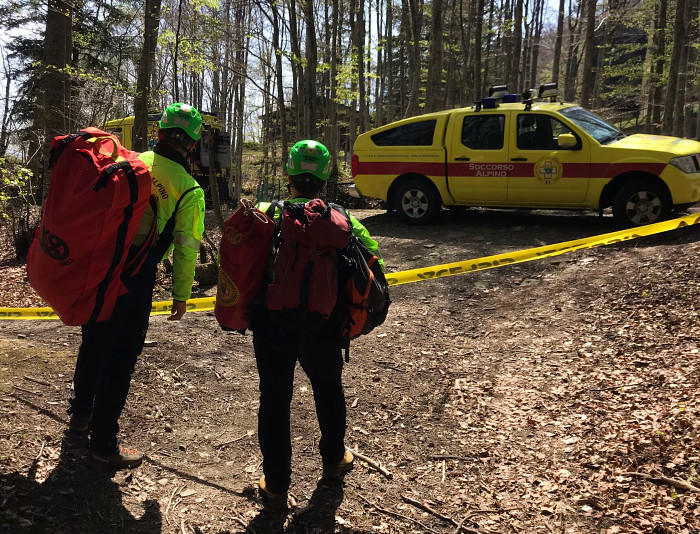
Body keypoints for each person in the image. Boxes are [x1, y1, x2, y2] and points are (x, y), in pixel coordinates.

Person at [67, 103, 206, 468]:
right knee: (121, 359)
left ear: (159, 133)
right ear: (192, 145)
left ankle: (80, 415)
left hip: (100, 266)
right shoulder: (189, 189)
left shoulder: (132, 159)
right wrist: (181, 295)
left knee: (94, 341)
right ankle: (104, 445)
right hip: (136, 277)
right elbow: (186, 248)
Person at [252, 140, 384, 510]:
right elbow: (377, 267)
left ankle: (276, 484)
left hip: (272, 322)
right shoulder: (346, 220)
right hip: (323, 324)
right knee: (328, 389)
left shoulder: (267, 212)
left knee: (275, 398)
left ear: (289, 174)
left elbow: (244, 263)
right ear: (326, 179)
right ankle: (334, 457)